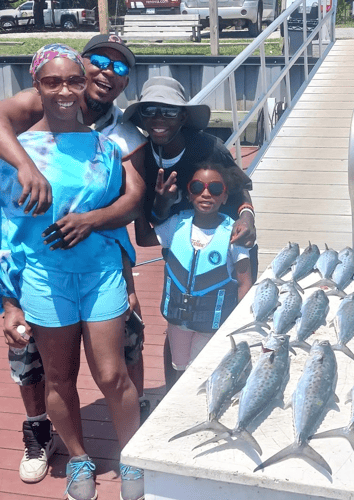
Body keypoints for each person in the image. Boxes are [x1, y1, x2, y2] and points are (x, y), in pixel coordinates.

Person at [0, 34, 149, 484]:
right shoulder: (19, 140)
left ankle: (133, 454)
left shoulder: (113, 143)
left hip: (100, 272)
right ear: (37, 85)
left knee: (113, 371)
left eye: (72, 82)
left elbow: (133, 200)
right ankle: (72, 453)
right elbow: (7, 224)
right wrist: (9, 300)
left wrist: (121, 266)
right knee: (53, 376)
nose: (64, 91)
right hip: (38, 274)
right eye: (52, 82)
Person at [122, 76, 257, 389]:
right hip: (179, 237)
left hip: (228, 241)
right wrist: (158, 204)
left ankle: (227, 391)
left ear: (183, 116)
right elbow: (148, 222)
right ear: (141, 117)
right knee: (179, 319)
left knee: (220, 329)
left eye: (169, 112)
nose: (158, 119)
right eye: (150, 111)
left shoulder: (207, 147)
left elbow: (239, 190)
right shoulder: (141, 157)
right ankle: (172, 394)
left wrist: (247, 218)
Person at [135, 159, 253, 377]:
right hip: (178, 323)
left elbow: (245, 283)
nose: (206, 194)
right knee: (179, 371)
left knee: (202, 374)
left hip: (213, 325)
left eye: (216, 189)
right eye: (198, 187)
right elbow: (143, 239)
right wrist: (139, 200)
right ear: (189, 194)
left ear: (225, 197)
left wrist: (239, 324)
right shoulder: (176, 225)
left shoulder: (233, 233)